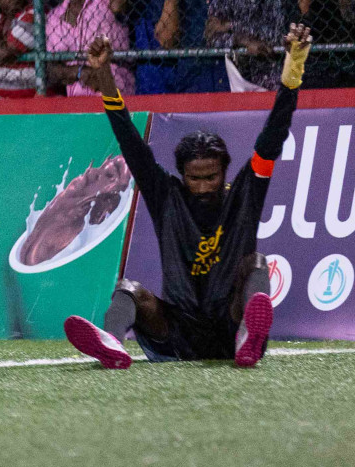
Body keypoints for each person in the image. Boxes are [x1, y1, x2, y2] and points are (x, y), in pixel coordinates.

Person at [62, 26, 310, 369]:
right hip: (178, 333)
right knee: (130, 288)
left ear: (224, 171)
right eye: (195, 178)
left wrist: (293, 67)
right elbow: (132, 147)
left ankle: (249, 336)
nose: (205, 185)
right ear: (182, 176)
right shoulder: (166, 196)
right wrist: (105, 81)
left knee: (255, 264)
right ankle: (110, 341)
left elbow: (274, 133)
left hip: (229, 326)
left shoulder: (246, 193)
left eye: (211, 176)